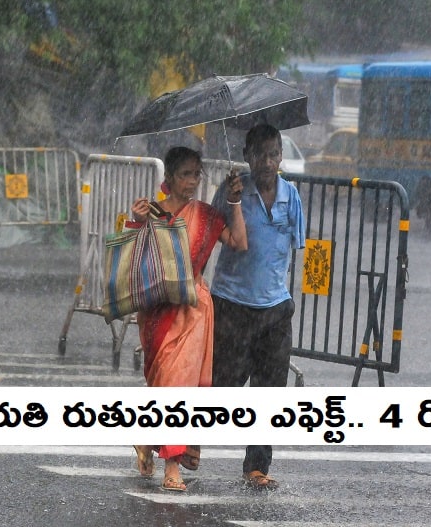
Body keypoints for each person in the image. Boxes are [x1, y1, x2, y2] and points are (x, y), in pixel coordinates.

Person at [129, 146, 247, 492]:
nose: (193, 180)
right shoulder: (152, 212)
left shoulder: (208, 216)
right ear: (168, 178)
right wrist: (136, 222)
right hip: (157, 313)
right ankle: (148, 437)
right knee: (163, 383)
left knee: (178, 388)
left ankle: (173, 466)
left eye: (197, 174)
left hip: (193, 310)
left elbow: (239, 242)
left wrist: (235, 202)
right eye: (185, 174)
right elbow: (134, 261)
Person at [209, 123, 306, 490]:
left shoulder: (290, 196)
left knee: (270, 390)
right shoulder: (232, 191)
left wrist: (282, 295)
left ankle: (257, 465)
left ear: (280, 157)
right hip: (232, 303)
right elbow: (210, 235)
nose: (267, 162)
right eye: (260, 154)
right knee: (222, 385)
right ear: (247, 156)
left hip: (275, 308)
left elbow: (295, 245)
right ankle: (179, 443)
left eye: (274, 154)